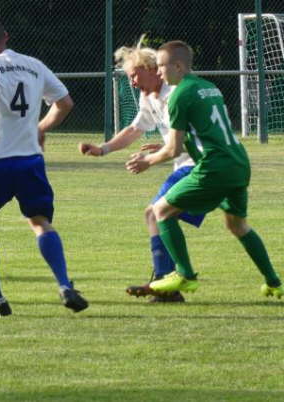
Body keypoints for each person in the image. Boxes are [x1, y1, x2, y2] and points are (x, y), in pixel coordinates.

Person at [0, 15, 88, 316]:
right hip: (29, 162)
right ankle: (64, 284)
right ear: (6, 37)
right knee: (40, 221)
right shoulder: (33, 64)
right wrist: (41, 128)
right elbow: (65, 103)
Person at [126, 40, 284, 299]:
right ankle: (274, 282)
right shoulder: (208, 87)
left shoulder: (178, 95)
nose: (158, 72)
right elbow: (203, 131)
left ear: (178, 66)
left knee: (160, 212)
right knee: (238, 225)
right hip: (238, 162)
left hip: (214, 166)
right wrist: (166, 142)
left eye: (162, 67)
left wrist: (148, 161)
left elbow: (173, 151)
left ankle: (185, 276)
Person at [79, 36, 204, 303]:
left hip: (200, 166)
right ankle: (166, 280)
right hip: (189, 164)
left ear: (151, 69)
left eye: (134, 75)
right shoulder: (149, 98)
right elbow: (135, 129)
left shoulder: (176, 93)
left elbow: (193, 138)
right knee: (161, 215)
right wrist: (103, 149)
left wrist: (158, 154)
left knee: (154, 213)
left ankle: (165, 282)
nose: (132, 82)